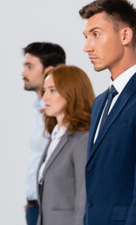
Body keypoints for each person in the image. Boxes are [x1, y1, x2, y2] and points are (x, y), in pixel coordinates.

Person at [79, 0, 136, 225]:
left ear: (125, 35)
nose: (87, 46)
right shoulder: (99, 104)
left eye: (96, 34)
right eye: (86, 37)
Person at [37, 65, 95, 225]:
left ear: (72, 92)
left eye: (52, 90)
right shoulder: (55, 136)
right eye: (44, 90)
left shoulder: (83, 139)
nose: (45, 97)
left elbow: (83, 198)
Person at [21, 42, 66, 225]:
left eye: (30, 66)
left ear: (49, 70)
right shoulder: (39, 109)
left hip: (53, 208)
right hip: (35, 206)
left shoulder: (62, 113)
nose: (23, 73)